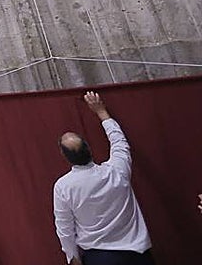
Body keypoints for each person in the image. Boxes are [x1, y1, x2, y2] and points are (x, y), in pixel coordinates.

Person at [53, 91, 153, 265]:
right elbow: (119, 142)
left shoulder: (63, 187)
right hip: (138, 253)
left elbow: (65, 228)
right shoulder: (117, 171)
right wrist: (101, 112)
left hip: (100, 258)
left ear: (64, 156)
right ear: (89, 149)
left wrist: (72, 257)